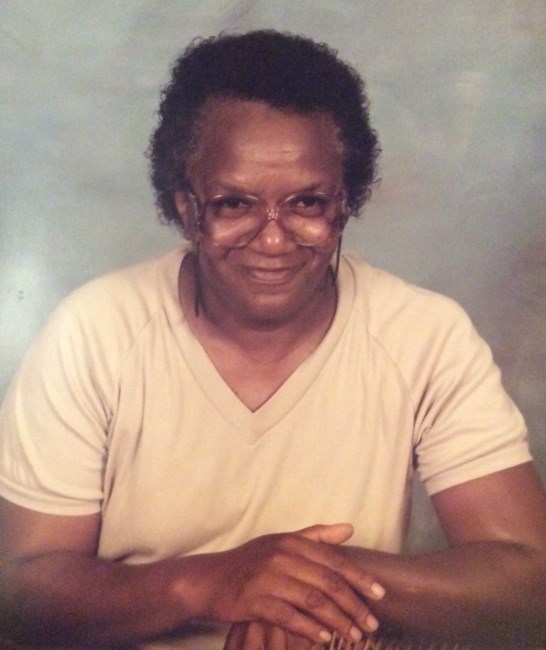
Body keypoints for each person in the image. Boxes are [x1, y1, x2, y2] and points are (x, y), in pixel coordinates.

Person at [0, 29, 545, 650]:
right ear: (186, 208)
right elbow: (20, 592)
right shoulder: (94, 331)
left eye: (307, 203)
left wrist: (305, 588)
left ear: (344, 205)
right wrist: (209, 584)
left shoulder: (424, 336)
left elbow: (530, 587)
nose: (274, 238)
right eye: (234, 204)